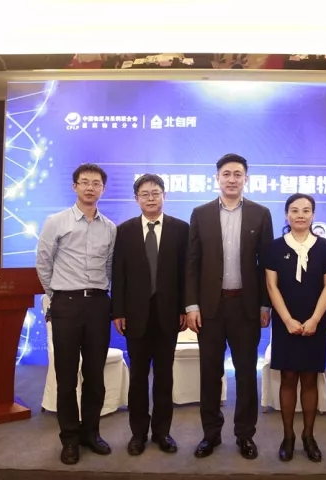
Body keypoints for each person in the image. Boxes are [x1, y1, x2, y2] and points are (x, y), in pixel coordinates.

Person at [185, 153, 274, 460]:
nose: (232, 179)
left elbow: (266, 265)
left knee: (247, 374)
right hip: (210, 308)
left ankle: (244, 435)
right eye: (226, 174)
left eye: (238, 174)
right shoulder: (201, 214)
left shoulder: (260, 214)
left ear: (246, 179)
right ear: (217, 178)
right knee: (210, 374)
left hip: (245, 308)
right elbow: (192, 262)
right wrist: (192, 305)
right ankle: (210, 434)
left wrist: (264, 305)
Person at [35, 163, 117, 465]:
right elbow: (43, 263)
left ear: (103, 189)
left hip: (98, 305)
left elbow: (109, 268)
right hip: (66, 305)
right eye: (84, 182)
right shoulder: (56, 221)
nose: (90, 187)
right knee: (67, 376)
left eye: (96, 183)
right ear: (75, 187)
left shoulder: (110, 228)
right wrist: (57, 296)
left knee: (95, 375)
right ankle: (69, 439)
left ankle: (91, 433)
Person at [111, 174, 189, 456]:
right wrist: (118, 311)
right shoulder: (124, 230)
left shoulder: (181, 229)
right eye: (145, 194)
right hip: (135, 316)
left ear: (164, 195)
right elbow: (118, 273)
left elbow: (186, 274)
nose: (151, 198)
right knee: (138, 378)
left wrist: (184, 308)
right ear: (136, 199)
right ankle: (138, 433)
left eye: (156, 192)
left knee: (165, 377)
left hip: (169, 315)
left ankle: (162, 432)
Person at [264, 193, 326, 462]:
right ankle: (288, 436)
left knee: (309, 378)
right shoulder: (274, 247)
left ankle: (309, 436)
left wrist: (315, 319)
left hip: (315, 321)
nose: (300, 215)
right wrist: (286, 320)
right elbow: (271, 286)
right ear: (286, 214)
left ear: (313, 215)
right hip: (285, 321)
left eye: (306, 210)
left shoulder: (325, 247)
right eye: (294, 210)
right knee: (287, 378)